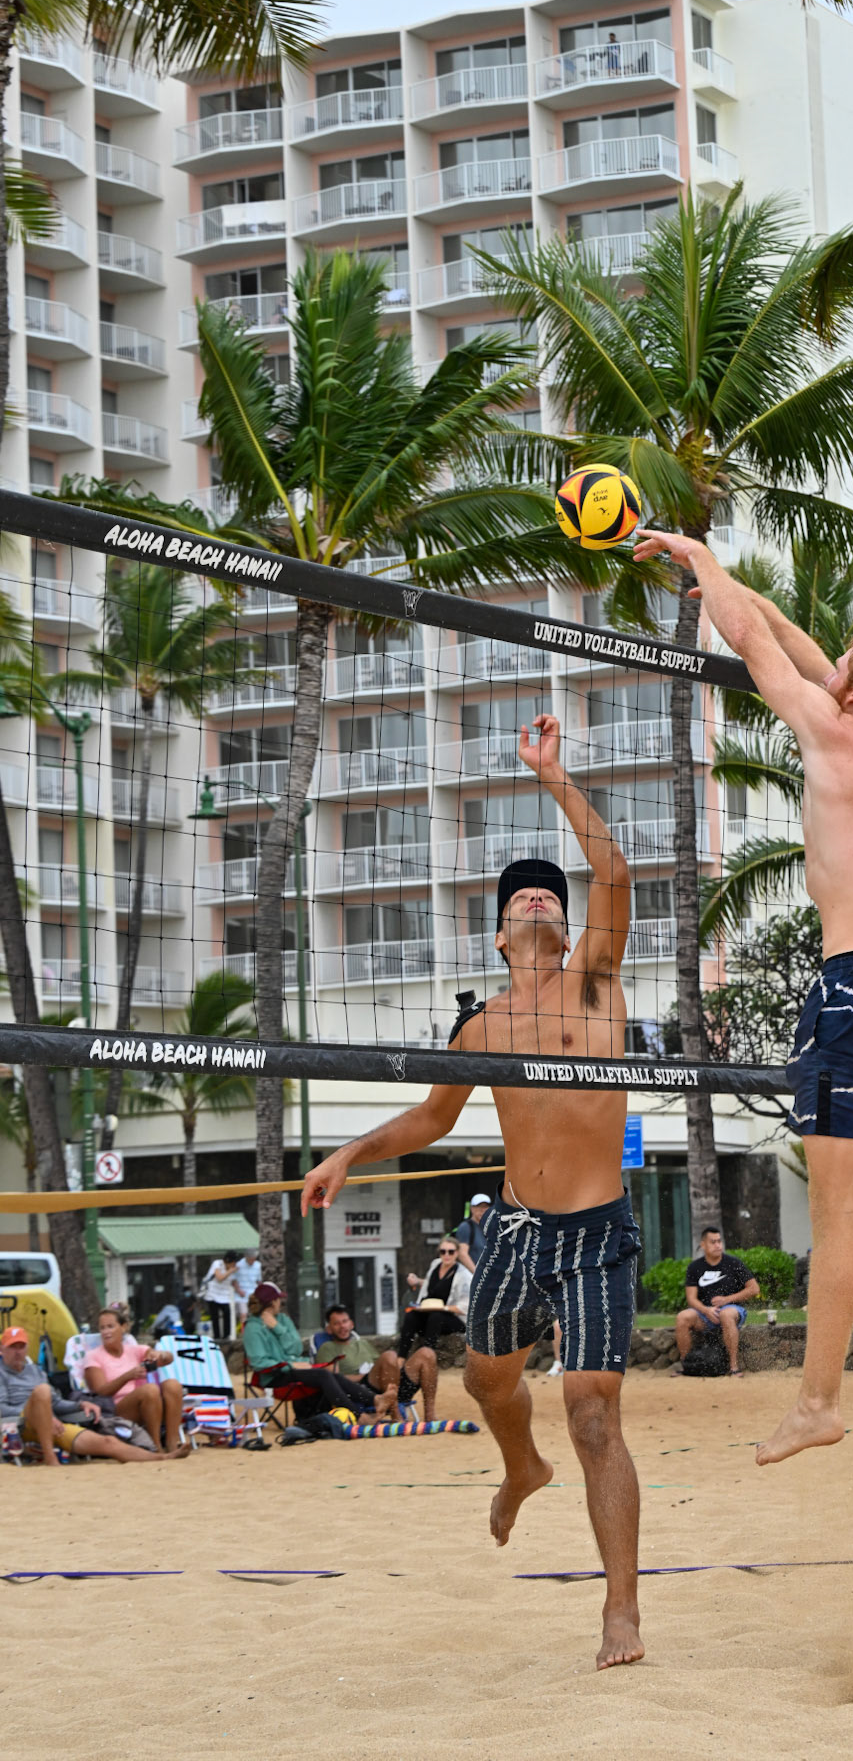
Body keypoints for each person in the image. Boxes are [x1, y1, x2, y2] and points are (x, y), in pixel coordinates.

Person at [633, 528, 853, 1479]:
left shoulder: (834, 734)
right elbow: (790, 635)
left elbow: (753, 642)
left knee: (839, 1219)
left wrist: (695, 559)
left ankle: (819, 1404)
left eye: (844, 672)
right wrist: (729, 580)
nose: (829, 675)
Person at [302, 712, 644, 1671]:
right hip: (515, 1232)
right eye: (517, 899)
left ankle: (619, 1611)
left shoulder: (595, 986)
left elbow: (612, 876)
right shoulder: (481, 1026)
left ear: (565, 926)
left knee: (592, 1413)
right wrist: (345, 1155)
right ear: (499, 937)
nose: (534, 899)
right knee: (485, 1381)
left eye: (547, 895)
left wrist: (553, 777)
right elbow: (429, 1123)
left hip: (595, 1233)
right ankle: (517, 1468)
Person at [0, 1326, 165, 1465]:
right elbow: (2, 1408)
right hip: (21, 1425)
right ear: (2, 1349)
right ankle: (50, 1458)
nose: (17, 1352)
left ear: (27, 1348)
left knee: (108, 1442)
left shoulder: (36, 1371)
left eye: (21, 1346)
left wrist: (80, 1405)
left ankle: (160, 1457)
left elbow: (56, 1402)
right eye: (12, 1347)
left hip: (52, 1424)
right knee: (42, 1390)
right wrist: (42, 1415)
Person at [242, 1284, 391, 1423]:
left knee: (330, 1374)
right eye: (278, 1299)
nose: (280, 1302)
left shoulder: (282, 1320)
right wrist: (290, 1364)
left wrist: (277, 1328)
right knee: (323, 1375)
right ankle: (359, 1416)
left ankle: (375, 1400)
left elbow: (296, 1349)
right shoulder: (252, 1329)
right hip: (274, 1376)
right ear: (272, 1302)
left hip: (292, 1369)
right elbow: (259, 1363)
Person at [82, 1307, 189, 1455]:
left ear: (123, 1327)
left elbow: (168, 1359)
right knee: (150, 1390)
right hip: (115, 1409)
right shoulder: (93, 1356)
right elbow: (100, 1391)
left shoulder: (134, 1350)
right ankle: (155, 1446)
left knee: (173, 1385)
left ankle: (172, 1444)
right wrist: (128, 1376)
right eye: (102, 1328)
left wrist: (160, 1354)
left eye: (110, 1326)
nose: (106, 1332)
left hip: (148, 1403)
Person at [393, 1237, 471, 1421]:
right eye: (443, 1251)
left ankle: (428, 1354)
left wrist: (441, 1308)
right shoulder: (435, 1265)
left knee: (436, 1317)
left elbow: (465, 1307)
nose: (446, 1255)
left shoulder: (464, 1275)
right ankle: (401, 1358)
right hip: (430, 1311)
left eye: (451, 1252)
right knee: (411, 1316)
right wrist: (420, 1306)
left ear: (458, 1254)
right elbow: (426, 1291)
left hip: (454, 1317)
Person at [674, 1229, 760, 1376]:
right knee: (682, 1317)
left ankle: (733, 1367)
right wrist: (706, 1310)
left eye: (719, 1241)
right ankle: (686, 1366)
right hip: (705, 1314)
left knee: (726, 1314)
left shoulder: (733, 1263)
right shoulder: (695, 1267)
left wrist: (726, 1299)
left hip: (732, 1309)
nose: (718, 1245)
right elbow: (691, 1299)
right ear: (703, 1245)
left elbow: (754, 1289)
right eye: (713, 1242)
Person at [312, 1305, 400, 1420]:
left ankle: (430, 1416)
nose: (342, 1326)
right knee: (390, 1355)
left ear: (351, 1324)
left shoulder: (362, 1343)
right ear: (329, 1328)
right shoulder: (327, 1348)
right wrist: (361, 1376)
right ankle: (396, 1414)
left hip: (384, 1384)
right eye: (336, 1323)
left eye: (344, 1321)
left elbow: (383, 1365)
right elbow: (332, 1379)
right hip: (359, 1389)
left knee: (425, 1354)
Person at [200, 1252, 239, 1342]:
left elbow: (233, 1281)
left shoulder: (233, 1270)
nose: (234, 1264)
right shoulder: (217, 1264)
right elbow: (219, 1278)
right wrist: (230, 1271)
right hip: (212, 1294)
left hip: (224, 1295)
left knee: (227, 1313)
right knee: (215, 1316)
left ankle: (226, 1335)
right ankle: (217, 1336)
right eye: (233, 1262)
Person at [453, 1195, 492, 1272]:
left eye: (485, 1207)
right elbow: (462, 1254)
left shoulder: (491, 1227)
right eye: (479, 1207)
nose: (482, 1210)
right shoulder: (465, 1227)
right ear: (472, 1209)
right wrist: (476, 1274)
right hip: (470, 1277)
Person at [232, 1251, 262, 1327]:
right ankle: (244, 1331)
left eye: (254, 1259)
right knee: (243, 1313)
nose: (252, 1261)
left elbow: (259, 1281)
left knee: (255, 1312)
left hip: (253, 1293)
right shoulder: (238, 1265)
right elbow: (234, 1279)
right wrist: (238, 1290)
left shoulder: (258, 1266)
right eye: (251, 1259)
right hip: (241, 1294)